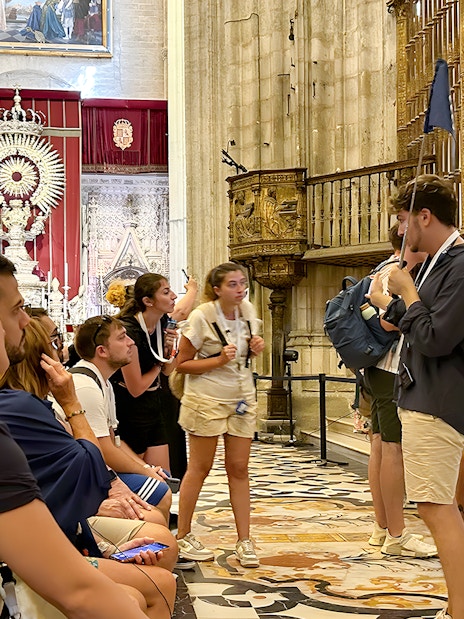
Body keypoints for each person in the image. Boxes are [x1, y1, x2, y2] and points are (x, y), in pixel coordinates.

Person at [0, 258, 176, 618]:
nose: (22, 321)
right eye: (17, 309)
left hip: (54, 535)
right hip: (21, 574)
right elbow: (90, 459)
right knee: (148, 562)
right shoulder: (22, 405)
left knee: (155, 524)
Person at [0, 316, 178, 570]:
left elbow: (111, 441)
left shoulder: (92, 384)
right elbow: (91, 460)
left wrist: (142, 470)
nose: (61, 349)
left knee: (158, 521)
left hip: (66, 509)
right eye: (53, 342)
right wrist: (71, 404)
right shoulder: (38, 401)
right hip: (49, 531)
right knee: (158, 508)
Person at [386, 174, 464, 619]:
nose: (401, 231)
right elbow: (413, 323)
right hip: (425, 396)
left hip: (438, 400)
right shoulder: (436, 262)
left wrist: (409, 293)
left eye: (403, 220)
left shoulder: (458, 263)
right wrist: (392, 300)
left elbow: (436, 338)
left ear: (424, 216)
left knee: (437, 509)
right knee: (441, 507)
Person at [174, 262, 265, 568]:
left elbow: (242, 357)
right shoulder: (202, 317)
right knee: (201, 467)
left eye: (243, 284)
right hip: (206, 398)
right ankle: (184, 533)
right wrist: (215, 360)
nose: (240, 290)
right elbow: (181, 364)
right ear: (217, 289)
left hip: (240, 398)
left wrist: (254, 348)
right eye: (233, 285)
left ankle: (244, 541)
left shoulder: (248, 311)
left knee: (239, 468)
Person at [364, 224, 437, 558]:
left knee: (379, 444)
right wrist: (408, 297)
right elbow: (388, 322)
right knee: (391, 448)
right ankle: (396, 533)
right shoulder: (395, 273)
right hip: (392, 367)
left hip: (377, 368)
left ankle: (382, 528)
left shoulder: (382, 269)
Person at [66, 315, 172, 524]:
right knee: (161, 491)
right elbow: (103, 451)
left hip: (93, 469)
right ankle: (151, 545)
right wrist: (145, 472)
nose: (131, 342)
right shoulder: (86, 385)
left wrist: (147, 469)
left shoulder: (103, 382)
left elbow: (115, 441)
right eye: (122, 338)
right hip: (79, 479)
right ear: (102, 351)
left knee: (163, 476)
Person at [107, 275, 178, 470]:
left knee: (163, 479)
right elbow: (135, 387)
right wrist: (158, 363)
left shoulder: (163, 322)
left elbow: (168, 370)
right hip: (129, 408)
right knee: (138, 479)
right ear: (148, 301)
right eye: (165, 292)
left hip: (153, 404)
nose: (173, 296)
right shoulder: (129, 332)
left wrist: (170, 350)